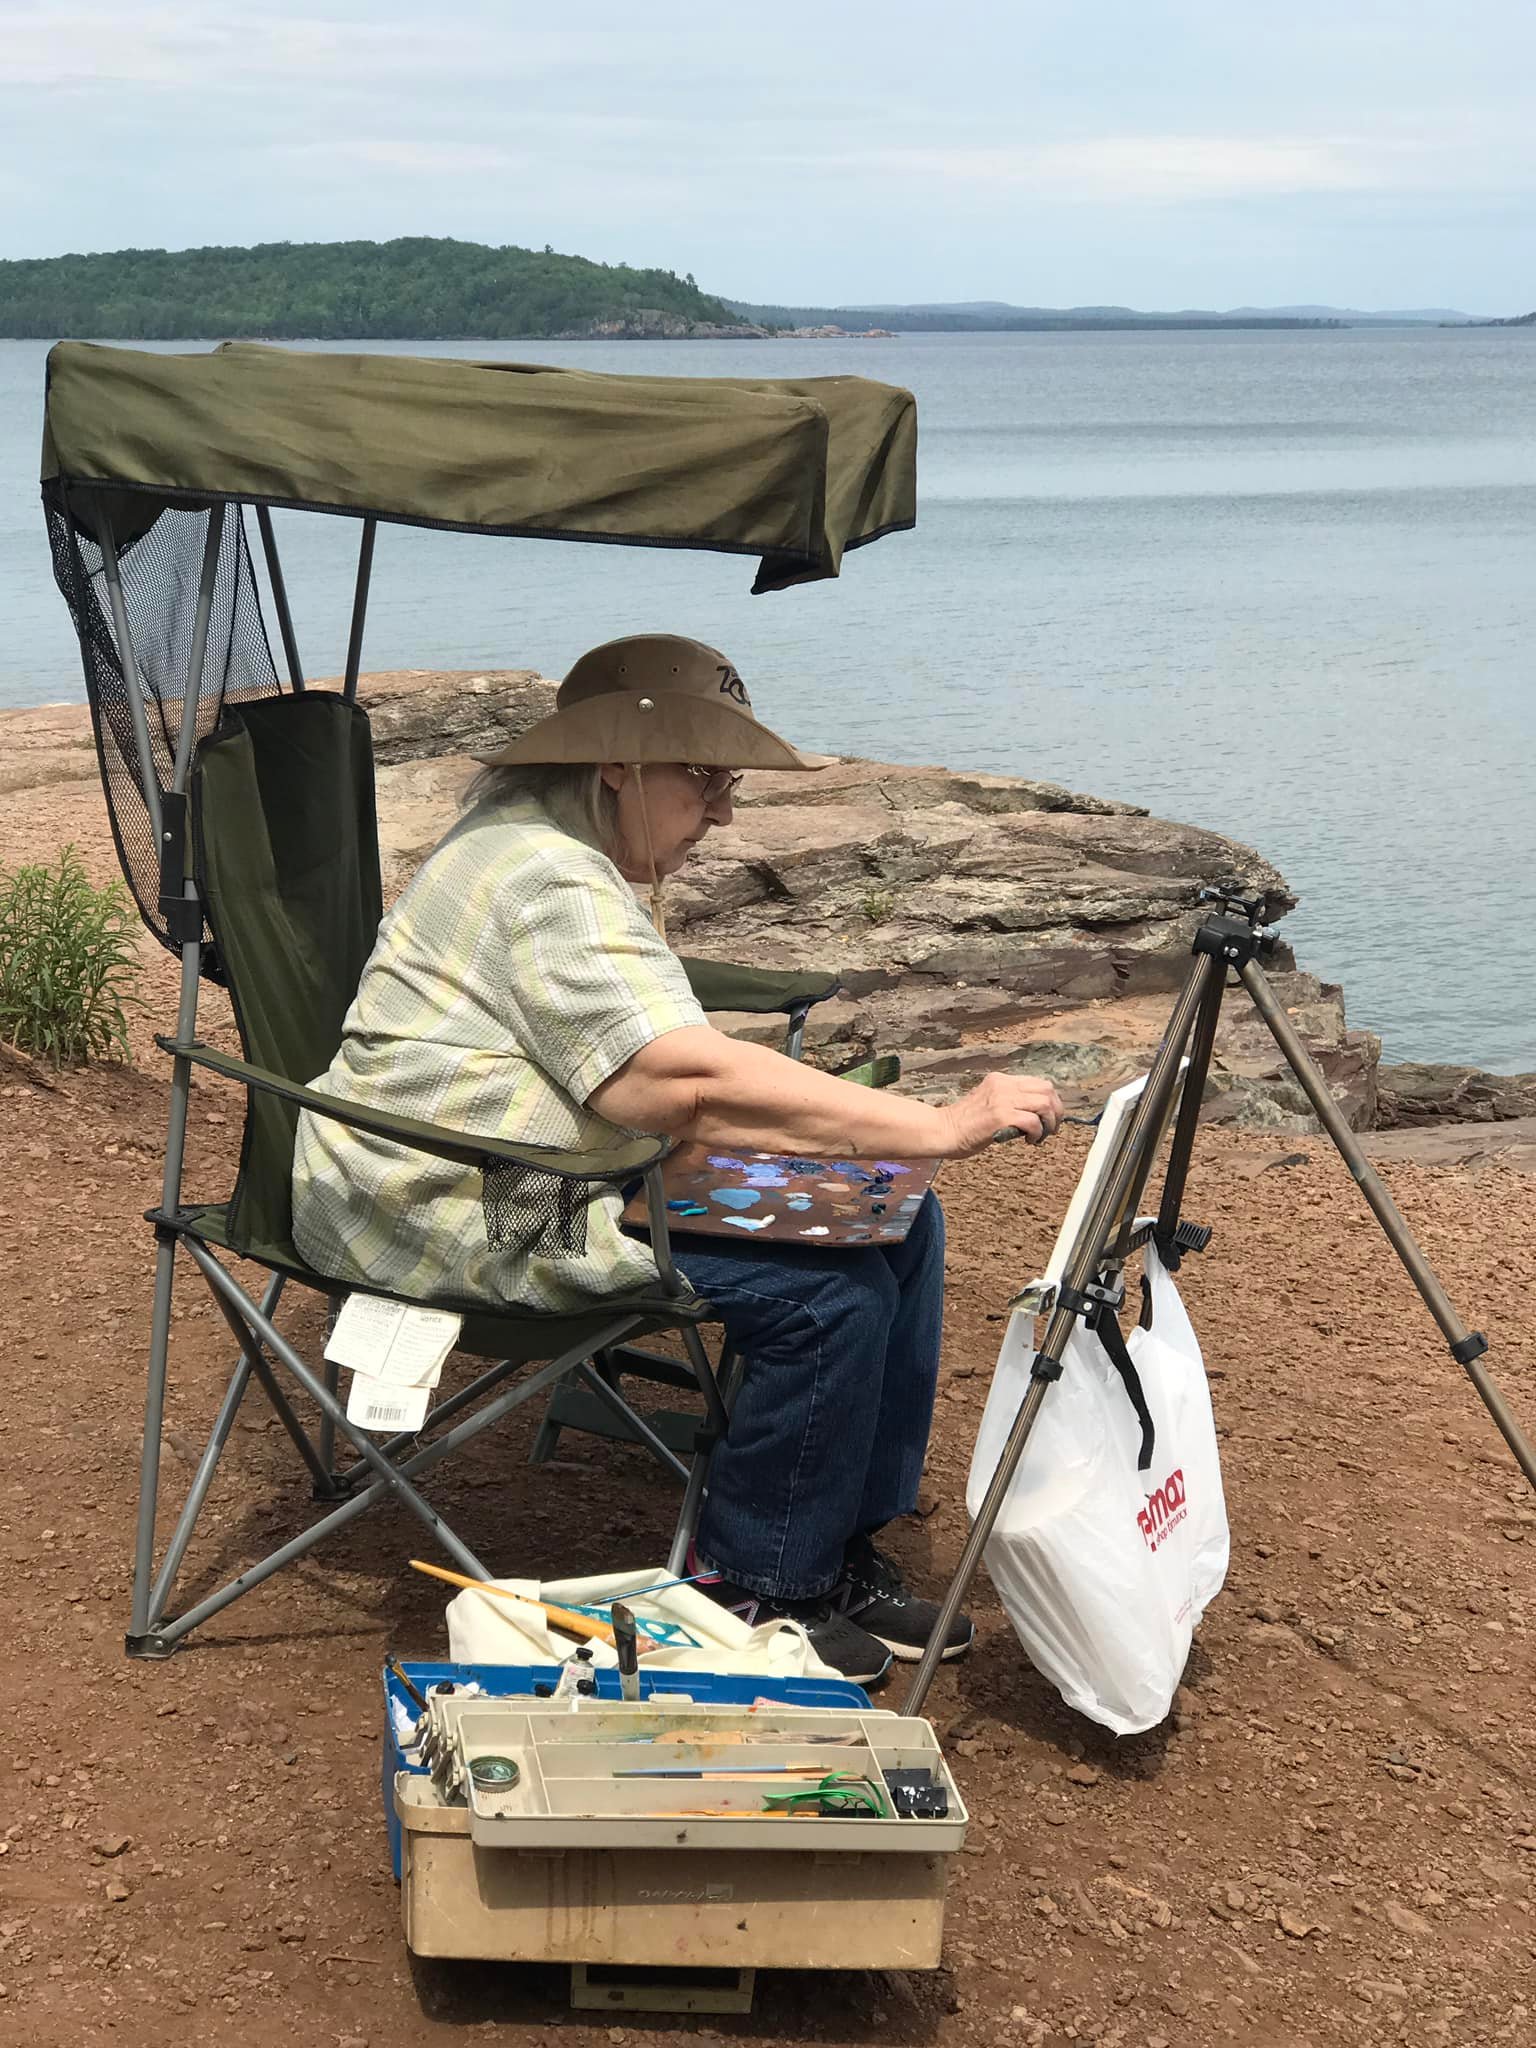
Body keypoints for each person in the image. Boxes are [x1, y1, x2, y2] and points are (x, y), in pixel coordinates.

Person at [292, 634, 1063, 1684]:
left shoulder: (542, 846)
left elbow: (660, 1081)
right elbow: (671, 1084)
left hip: (528, 1167)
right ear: (615, 761)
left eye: (727, 781)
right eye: (704, 778)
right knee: (826, 1297)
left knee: (897, 1214)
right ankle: (756, 1578)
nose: (724, 810)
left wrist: (878, 1152)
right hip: (456, 1196)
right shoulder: (545, 876)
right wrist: (932, 1122)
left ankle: (834, 1545)